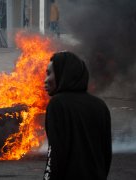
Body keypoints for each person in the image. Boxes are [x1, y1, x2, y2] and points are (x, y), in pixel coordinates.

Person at [43, 51, 112, 180]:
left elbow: (55, 153)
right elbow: (106, 153)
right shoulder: (100, 105)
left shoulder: (58, 104)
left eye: (49, 73)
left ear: (63, 74)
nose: (45, 80)